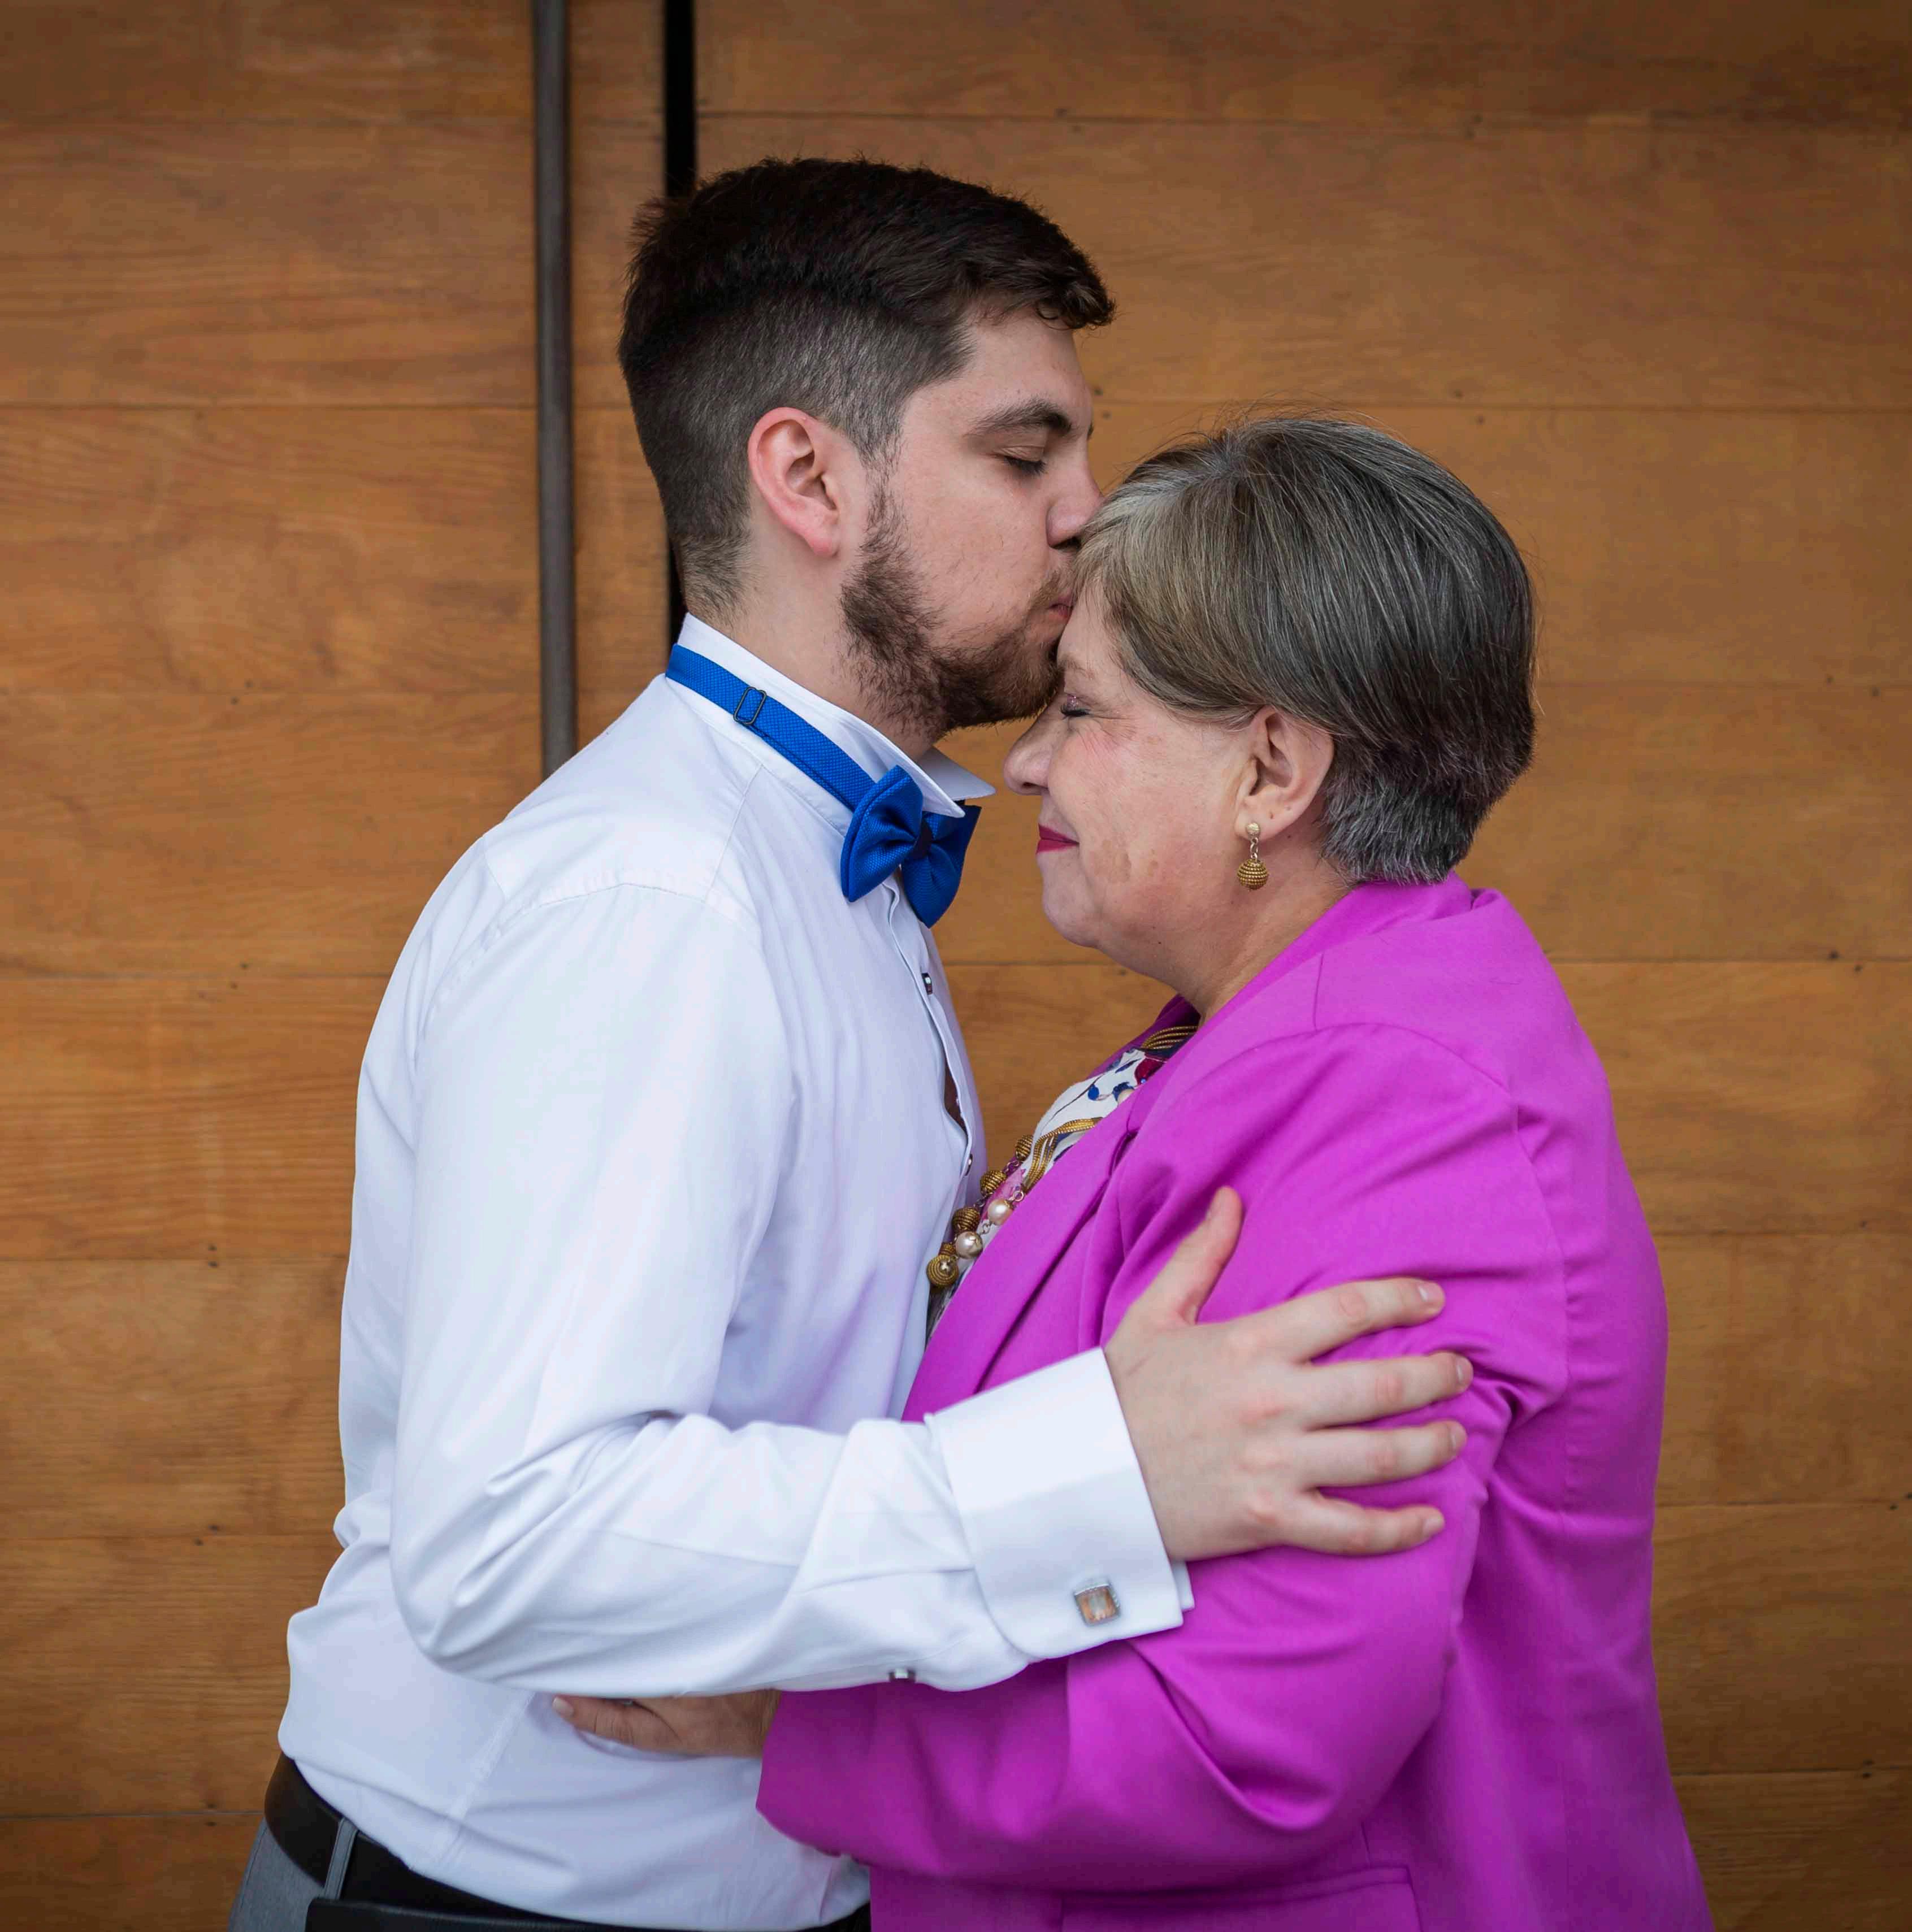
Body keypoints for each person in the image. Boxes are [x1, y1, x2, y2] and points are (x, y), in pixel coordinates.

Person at [228, 165, 1471, 1932]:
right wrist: (1101, 1469)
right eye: (1024, 454)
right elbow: (513, 1537)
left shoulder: (826, 868)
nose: (1089, 513)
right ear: (809, 479)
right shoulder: (653, 902)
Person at [561, 418, 1715, 1931]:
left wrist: (786, 1720)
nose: (1026, 760)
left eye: (1084, 708)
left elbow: (1247, 1736)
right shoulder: (1297, 1031)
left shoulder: (1400, 1107)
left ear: (1271, 770)